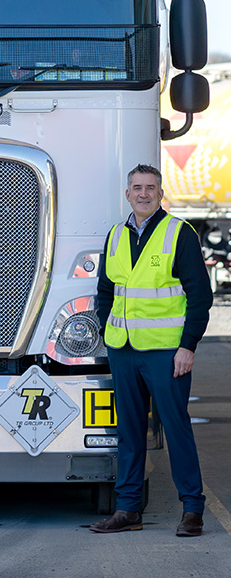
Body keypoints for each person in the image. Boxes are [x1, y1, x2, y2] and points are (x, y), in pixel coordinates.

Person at [89, 164, 212, 537]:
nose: (143, 194)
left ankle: (192, 509)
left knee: (176, 429)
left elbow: (200, 297)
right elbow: (106, 291)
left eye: (151, 188)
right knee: (128, 430)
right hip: (123, 350)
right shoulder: (115, 236)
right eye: (137, 188)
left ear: (161, 194)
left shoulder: (180, 234)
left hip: (166, 352)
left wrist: (186, 347)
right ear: (127, 194)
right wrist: (109, 325)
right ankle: (128, 509)